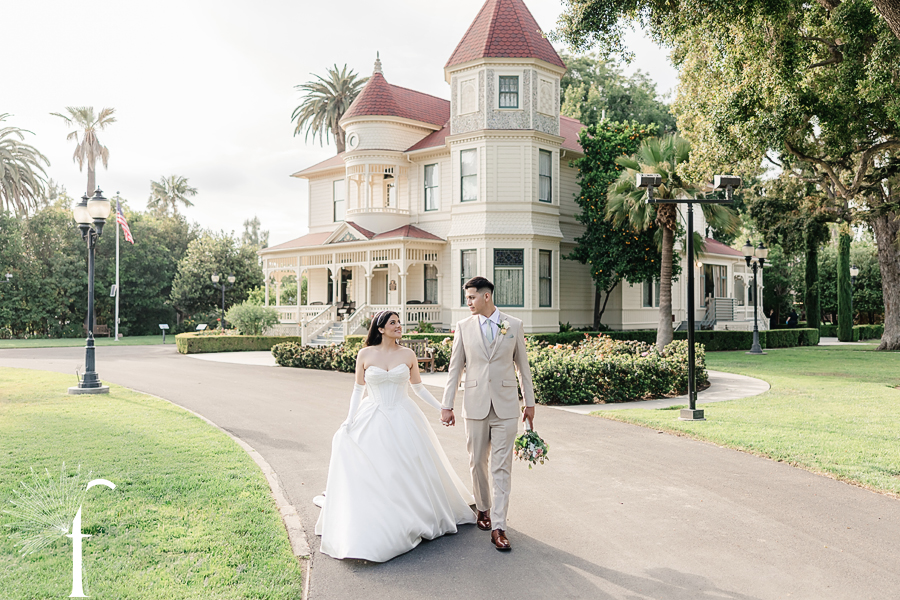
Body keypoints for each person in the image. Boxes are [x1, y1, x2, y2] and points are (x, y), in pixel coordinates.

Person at [315, 311, 475, 562]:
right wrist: (350, 418)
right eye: (393, 323)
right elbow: (358, 390)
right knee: (375, 466)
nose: (399, 326)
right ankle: (379, 516)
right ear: (380, 328)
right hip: (373, 414)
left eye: (399, 322)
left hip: (403, 415)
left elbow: (418, 388)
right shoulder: (365, 354)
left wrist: (442, 408)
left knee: (408, 467)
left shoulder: (408, 354)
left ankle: (413, 514)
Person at [441, 276, 535, 552]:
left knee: (502, 468)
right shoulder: (463, 327)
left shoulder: (513, 325)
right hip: (475, 404)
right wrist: (447, 405)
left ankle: (499, 526)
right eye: (466, 297)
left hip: (506, 406)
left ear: (486, 296)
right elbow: (454, 368)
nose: (467, 302)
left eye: (471, 297)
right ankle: (482, 507)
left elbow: (523, 368)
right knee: (477, 462)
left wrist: (529, 403)